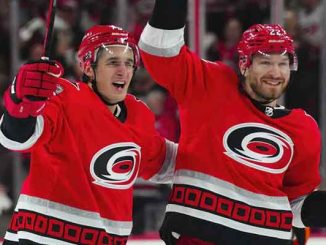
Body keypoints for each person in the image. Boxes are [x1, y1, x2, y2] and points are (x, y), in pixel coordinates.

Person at [138, 0, 326, 244]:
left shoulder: (303, 127)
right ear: (244, 65)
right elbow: (158, 50)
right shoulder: (211, 85)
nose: (276, 72)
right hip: (200, 235)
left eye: (283, 63)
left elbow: (297, 208)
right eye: (265, 62)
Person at [0, 24, 177, 245]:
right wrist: (22, 104)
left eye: (129, 63)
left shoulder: (138, 114)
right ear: (88, 67)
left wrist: (216, 154)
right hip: (43, 239)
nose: (123, 71)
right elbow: (17, 139)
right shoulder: (63, 97)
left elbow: (163, 160)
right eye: (113, 62)